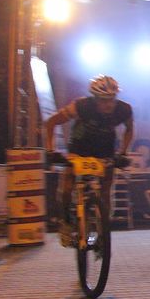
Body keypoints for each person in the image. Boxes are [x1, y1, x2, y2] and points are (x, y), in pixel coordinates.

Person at [44, 75, 134, 246]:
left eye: (112, 99)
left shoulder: (124, 109)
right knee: (67, 186)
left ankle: (103, 225)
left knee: (106, 189)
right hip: (80, 148)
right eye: (103, 100)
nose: (108, 104)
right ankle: (65, 223)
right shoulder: (81, 106)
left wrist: (123, 153)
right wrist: (50, 151)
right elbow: (51, 123)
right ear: (95, 98)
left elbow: (129, 129)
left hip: (104, 150)